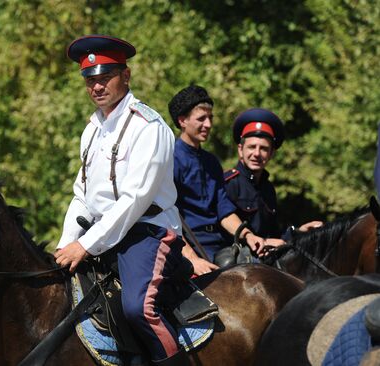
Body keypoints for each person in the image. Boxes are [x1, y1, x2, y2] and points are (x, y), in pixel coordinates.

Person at [55, 35, 192, 365]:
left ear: (126, 76)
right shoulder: (92, 129)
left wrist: (85, 246)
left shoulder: (149, 125)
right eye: (90, 80)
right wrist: (66, 244)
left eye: (105, 78)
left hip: (149, 232)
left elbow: (136, 199)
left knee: (138, 309)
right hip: (103, 235)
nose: (97, 87)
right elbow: (82, 196)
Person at [169, 85, 266, 270]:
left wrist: (247, 235)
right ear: (182, 121)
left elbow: (223, 209)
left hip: (220, 245)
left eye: (210, 118)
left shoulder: (211, 161)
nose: (208, 124)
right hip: (187, 246)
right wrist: (191, 259)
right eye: (201, 119)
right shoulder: (170, 159)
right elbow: (166, 216)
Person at [224, 108, 322, 248]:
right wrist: (260, 241)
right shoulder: (229, 183)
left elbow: (274, 236)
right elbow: (222, 231)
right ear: (240, 150)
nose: (257, 154)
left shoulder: (268, 189)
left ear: (271, 154)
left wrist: (299, 232)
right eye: (252, 147)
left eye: (263, 149)